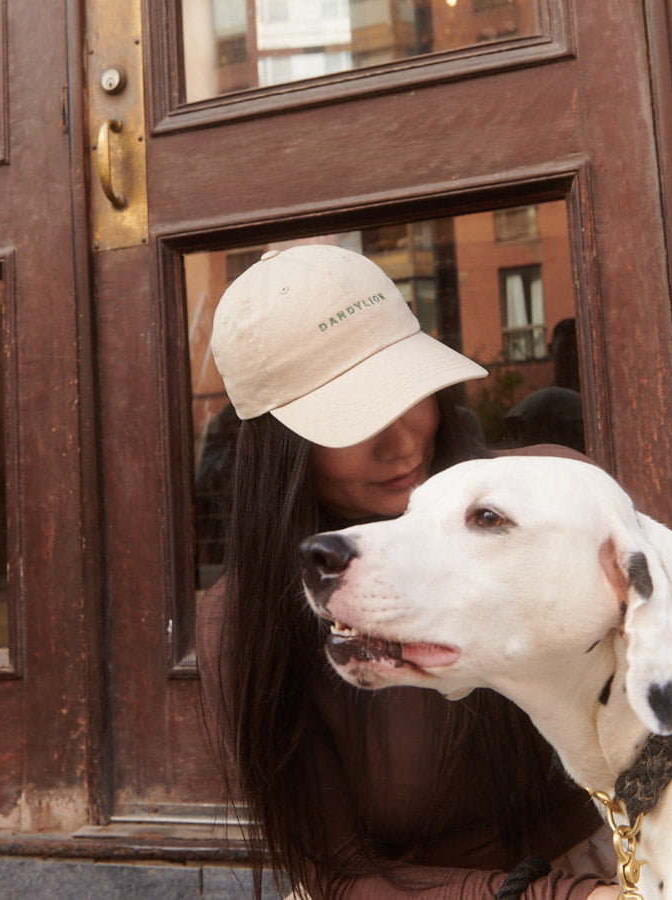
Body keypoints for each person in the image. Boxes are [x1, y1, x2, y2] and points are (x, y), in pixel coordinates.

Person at [196, 244, 620, 899]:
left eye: (408, 394)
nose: (402, 440)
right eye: (351, 420)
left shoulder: (553, 500)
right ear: (282, 448)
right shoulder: (249, 621)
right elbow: (340, 877)